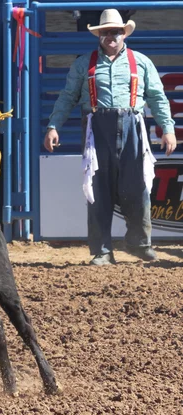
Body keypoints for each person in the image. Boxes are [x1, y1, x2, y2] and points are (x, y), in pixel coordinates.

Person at [44, 9, 177, 266]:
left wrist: (167, 129)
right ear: (99, 35)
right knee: (97, 188)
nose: (111, 36)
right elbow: (67, 97)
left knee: (138, 185)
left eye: (115, 32)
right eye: (106, 32)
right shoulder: (84, 64)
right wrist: (53, 126)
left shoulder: (141, 62)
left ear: (124, 33)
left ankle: (139, 243)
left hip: (133, 124)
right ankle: (102, 250)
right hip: (97, 127)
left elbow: (158, 98)